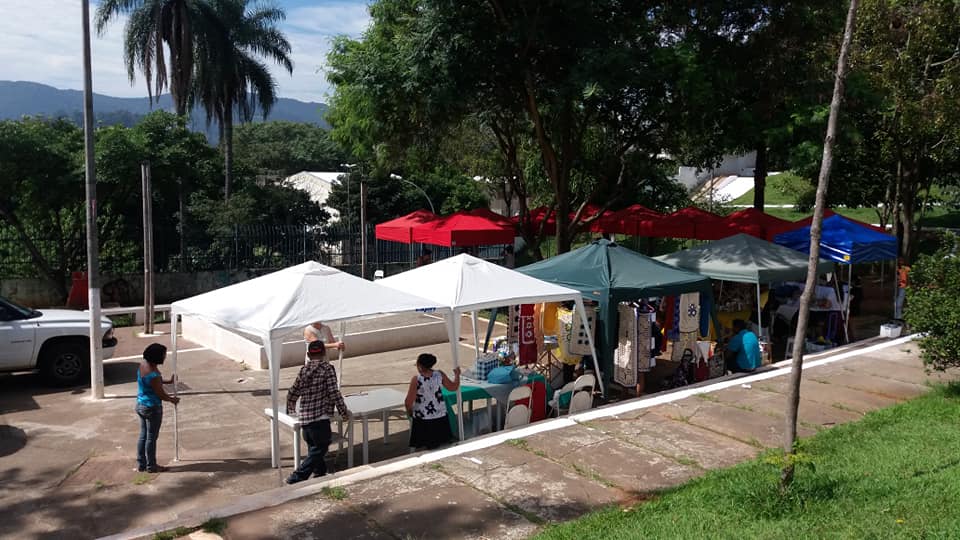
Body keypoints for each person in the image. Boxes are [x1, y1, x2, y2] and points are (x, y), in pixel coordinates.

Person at [285, 341, 350, 484]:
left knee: (313, 450)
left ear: (308, 355)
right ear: (324, 353)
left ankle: (320, 474)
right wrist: (344, 412)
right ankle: (297, 476)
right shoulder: (327, 369)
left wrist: (291, 409)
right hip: (320, 419)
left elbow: (292, 392)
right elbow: (334, 392)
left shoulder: (303, 370)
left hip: (305, 421)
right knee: (320, 449)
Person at [136, 343, 180, 473]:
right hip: (152, 408)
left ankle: (141, 463)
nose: (165, 356)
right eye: (164, 354)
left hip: (140, 404)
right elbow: (159, 393)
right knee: (151, 438)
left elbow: (152, 384)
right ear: (157, 357)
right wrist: (172, 400)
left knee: (143, 435)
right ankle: (151, 466)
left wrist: (168, 381)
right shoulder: (153, 374)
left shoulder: (143, 365)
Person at [404, 353, 460, 450]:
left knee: (424, 447)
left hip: (423, 418)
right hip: (440, 415)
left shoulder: (417, 379)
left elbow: (408, 401)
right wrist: (457, 376)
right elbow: (453, 387)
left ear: (420, 366)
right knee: (442, 445)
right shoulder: (439, 375)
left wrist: (409, 411)